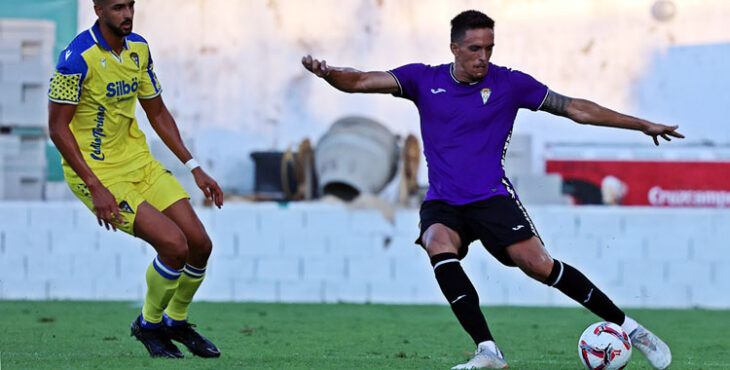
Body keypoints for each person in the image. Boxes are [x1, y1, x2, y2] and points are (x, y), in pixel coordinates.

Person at [301, 9, 681, 370]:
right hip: (444, 201)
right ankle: (488, 350)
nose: (483, 57)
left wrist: (641, 124)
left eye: (489, 49)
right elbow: (361, 80)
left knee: (539, 266)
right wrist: (328, 73)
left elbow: (575, 108)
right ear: (454, 48)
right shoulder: (422, 79)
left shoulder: (510, 84)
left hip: (491, 197)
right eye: (474, 49)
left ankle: (630, 328)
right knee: (436, 240)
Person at [48, 0, 223, 359]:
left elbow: (156, 110)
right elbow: (56, 127)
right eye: (117, 8)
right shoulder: (76, 58)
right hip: (98, 174)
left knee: (200, 244)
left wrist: (194, 167)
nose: (126, 14)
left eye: (130, 5)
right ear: (98, 10)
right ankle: (148, 324)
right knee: (174, 245)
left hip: (138, 162)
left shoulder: (139, 49)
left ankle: (175, 322)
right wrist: (95, 187)